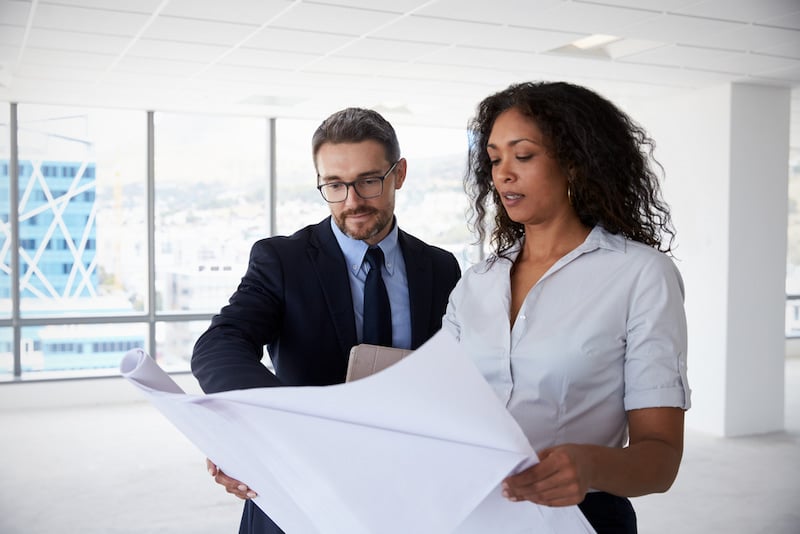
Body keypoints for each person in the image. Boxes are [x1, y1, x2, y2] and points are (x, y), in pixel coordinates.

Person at [191, 107, 461, 534]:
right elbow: (220, 344)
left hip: (405, 494)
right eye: (334, 185)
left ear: (399, 174)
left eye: (369, 181)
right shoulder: (282, 260)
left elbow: (455, 376)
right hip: (299, 491)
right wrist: (256, 426)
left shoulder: (441, 268)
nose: (352, 201)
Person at [442, 81, 690, 534]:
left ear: (574, 163)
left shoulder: (640, 275)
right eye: (495, 159)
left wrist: (589, 465)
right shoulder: (476, 283)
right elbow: (443, 410)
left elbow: (661, 459)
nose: (503, 174)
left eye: (523, 155)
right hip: (470, 513)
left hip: (582, 518)